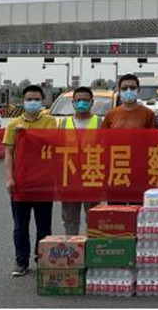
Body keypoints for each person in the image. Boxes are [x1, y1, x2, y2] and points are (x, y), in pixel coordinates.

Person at [3, 85, 58, 277]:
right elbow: (9, 154)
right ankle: (21, 261)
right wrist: (10, 178)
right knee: (20, 226)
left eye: (36, 99)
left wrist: (28, 134)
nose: (33, 102)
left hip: (43, 182)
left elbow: (52, 144)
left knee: (44, 225)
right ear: (23, 101)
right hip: (21, 182)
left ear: (42, 101)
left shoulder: (51, 122)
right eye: (29, 99)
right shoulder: (13, 125)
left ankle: (42, 259)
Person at [59, 86, 102, 235]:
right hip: (70, 178)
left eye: (85, 100)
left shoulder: (100, 123)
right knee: (70, 219)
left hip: (92, 176)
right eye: (78, 100)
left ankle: (93, 247)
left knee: (94, 218)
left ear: (92, 102)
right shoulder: (64, 123)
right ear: (73, 102)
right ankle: (73, 247)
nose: (81, 103)